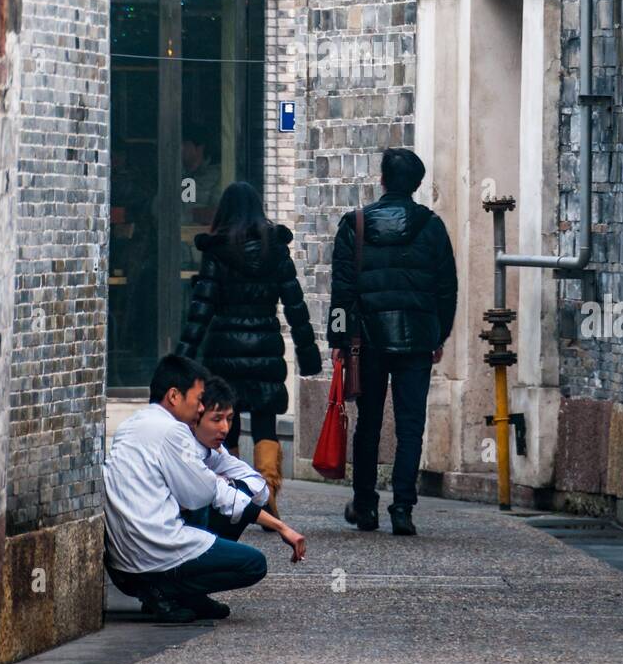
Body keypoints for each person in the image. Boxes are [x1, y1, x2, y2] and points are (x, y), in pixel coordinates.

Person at [103, 355, 299, 624]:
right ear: (174, 396)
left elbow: (248, 487)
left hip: (122, 563)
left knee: (225, 496)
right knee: (254, 564)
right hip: (153, 552)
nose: (199, 408)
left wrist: (216, 479)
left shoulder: (133, 424)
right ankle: (165, 590)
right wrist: (218, 483)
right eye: (197, 400)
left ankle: (177, 593)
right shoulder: (173, 431)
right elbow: (200, 496)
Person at [328, 148, 458, 536]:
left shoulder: (356, 224)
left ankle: (365, 505)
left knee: (367, 424)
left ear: (382, 180)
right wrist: (440, 334)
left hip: (366, 341)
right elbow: (446, 288)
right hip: (417, 340)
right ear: (417, 185)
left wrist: (338, 338)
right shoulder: (431, 226)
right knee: (410, 425)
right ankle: (403, 508)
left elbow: (342, 290)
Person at [178, 181, 322, 518]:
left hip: (224, 348)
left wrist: (183, 357)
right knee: (265, 421)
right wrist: (308, 352)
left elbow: (202, 308)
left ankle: (231, 491)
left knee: (226, 420)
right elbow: (295, 304)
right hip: (266, 346)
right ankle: (267, 489)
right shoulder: (276, 250)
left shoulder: (218, 250)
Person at [184, 376, 306, 558]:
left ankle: (208, 555)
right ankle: (199, 560)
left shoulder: (214, 450)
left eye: (230, 419)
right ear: (195, 417)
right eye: (217, 419)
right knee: (253, 562)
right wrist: (279, 526)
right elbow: (223, 496)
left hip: (231, 372)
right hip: (162, 542)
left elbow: (259, 487)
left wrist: (226, 482)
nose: (225, 428)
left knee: (238, 490)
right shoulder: (183, 447)